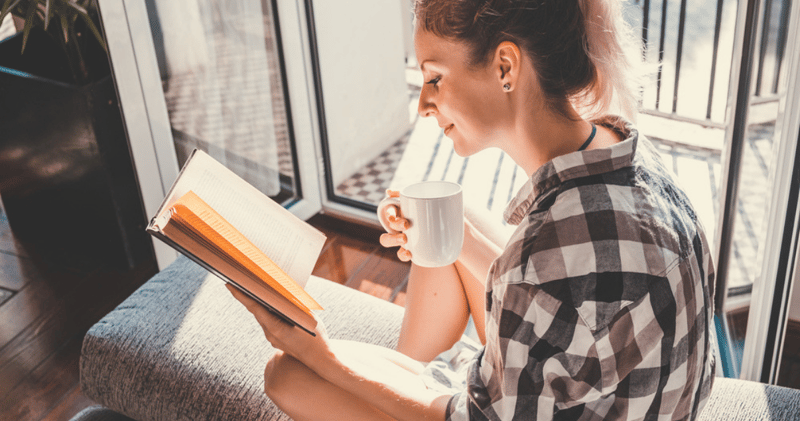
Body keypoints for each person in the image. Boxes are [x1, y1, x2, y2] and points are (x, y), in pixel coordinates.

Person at [225, 0, 717, 419]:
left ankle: (391, 388)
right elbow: (557, 296)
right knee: (450, 219)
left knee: (286, 375)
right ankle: (402, 381)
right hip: (617, 393)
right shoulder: (627, 153)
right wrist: (442, 234)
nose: (423, 104)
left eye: (435, 77)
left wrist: (323, 354)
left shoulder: (544, 256)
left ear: (506, 67)